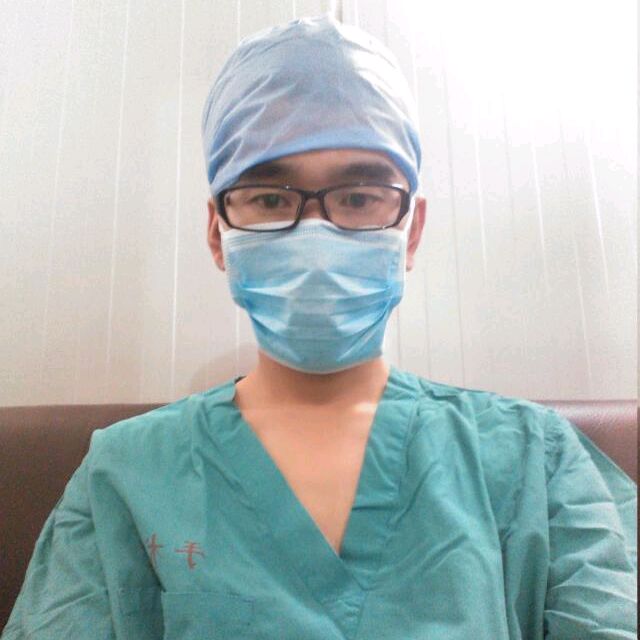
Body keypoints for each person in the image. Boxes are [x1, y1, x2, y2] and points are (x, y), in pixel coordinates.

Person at [2, 14, 636, 640]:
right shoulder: (126, 474)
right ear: (218, 234)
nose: (314, 235)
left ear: (410, 231)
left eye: (358, 197)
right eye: (270, 199)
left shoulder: (534, 460)